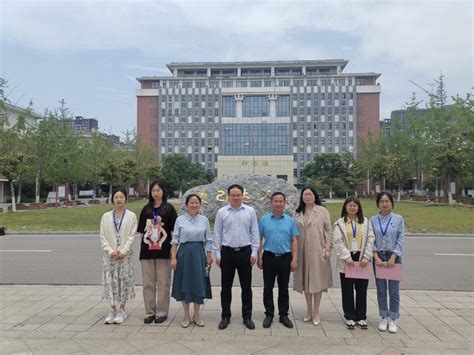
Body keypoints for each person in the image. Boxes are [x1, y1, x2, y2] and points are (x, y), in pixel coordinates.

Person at [213, 184, 259, 330]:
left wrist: (254, 252)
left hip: (245, 252)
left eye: (238, 194)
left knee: (246, 287)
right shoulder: (221, 212)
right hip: (227, 252)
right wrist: (217, 254)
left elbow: (254, 232)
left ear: (242, 195)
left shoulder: (250, 211)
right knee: (226, 287)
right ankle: (225, 316)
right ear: (228, 196)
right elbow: (218, 234)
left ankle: (247, 317)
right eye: (233, 195)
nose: (236, 197)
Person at [137, 181, 178, 324]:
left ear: (163, 192)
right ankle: (149, 312)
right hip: (147, 252)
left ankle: (161, 312)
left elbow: (174, 233)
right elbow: (141, 233)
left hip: (164, 252)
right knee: (148, 283)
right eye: (153, 190)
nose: (156, 193)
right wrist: (142, 249)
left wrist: (174, 253)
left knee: (163, 283)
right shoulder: (146, 209)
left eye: (158, 190)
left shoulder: (169, 209)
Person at [257, 192, 299, 329]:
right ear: (271, 203)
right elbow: (259, 238)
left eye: (281, 201)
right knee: (268, 288)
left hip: (285, 258)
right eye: (275, 201)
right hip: (268, 256)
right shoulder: (264, 220)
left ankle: (283, 315)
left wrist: (295, 259)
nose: (278, 204)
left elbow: (294, 240)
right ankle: (269, 314)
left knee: (284, 288)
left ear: (284, 203)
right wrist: (259, 256)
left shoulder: (290, 221)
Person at [170, 194, 213, 328]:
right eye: (191, 203)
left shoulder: (204, 220)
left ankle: (197, 314)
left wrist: (209, 255)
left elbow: (208, 239)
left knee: (198, 283)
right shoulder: (180, 220)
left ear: (200, 205)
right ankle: (186, 315)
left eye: (196, 203)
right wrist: (173, 257)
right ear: (186, 205)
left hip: (199, 254)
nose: (194, 205)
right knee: (185, 283)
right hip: (184, 254)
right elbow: (175, 239)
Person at [333, 197, 375, 330]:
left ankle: (361, 317)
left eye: (355, 205)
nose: (352, 207)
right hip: (347, 260)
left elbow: (370, 239)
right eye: (350, 205)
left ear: (359, 208)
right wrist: (347, 257)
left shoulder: (366, 223)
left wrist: (366, 257)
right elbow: (337, 242)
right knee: (347, 289)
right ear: (345, 207)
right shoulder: (339, 223)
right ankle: (350, 316)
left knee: (361, 290)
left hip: (362, 259)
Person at [293, 187, 333, 326]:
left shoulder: (322, 211)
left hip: (318, 251)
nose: (307, 197)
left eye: (310, 194)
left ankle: (316, 311)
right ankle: (308, 310)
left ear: (315, 196)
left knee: (317, 282)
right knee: (305, 282)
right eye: (305, 194)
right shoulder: (298, 212)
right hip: (302, 251)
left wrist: (328, 248)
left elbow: (328, 230)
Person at [99, 188, 138, 324]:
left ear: (126, 199)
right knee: (111, 281)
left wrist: (123, 251)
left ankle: (122, 309)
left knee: (123, 281)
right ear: (112, 200)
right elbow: (103, 236)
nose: (119, 199)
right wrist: (111, 251)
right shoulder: (105, 217)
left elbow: (131, 236)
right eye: (116, 197)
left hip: (124, 256)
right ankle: (112, 309)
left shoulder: (131, 216)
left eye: (121, 197)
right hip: (110, 257)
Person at [370, 191, 405, 334]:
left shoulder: (398, 219)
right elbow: (369, 239)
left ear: (392, 203)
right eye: (382, 201)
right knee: (381, 289)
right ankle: (383, 316)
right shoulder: (372, 220)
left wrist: (393, 256)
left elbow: (401, 239)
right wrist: (375, 256)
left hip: (393, 257)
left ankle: (393, 318)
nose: (385, 204)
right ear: (378, 203)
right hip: (378, 257)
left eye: (387, 201)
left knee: (394, 290)